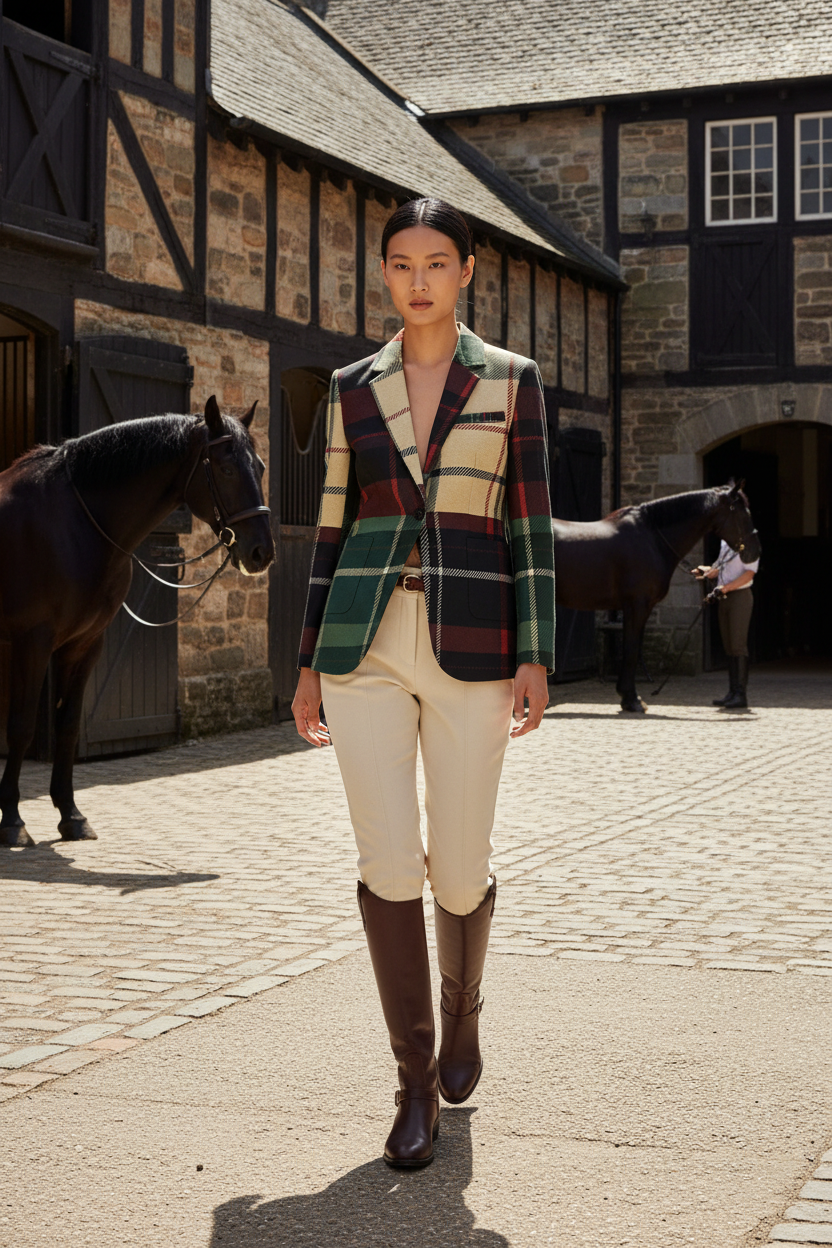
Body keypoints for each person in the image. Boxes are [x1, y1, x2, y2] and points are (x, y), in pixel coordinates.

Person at [291, 197, 555, 1169]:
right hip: (364, 642)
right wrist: (310, 662)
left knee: (458, 860)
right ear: (387, 274)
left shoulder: (514, 383)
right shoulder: (350, 387)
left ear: (467, 273)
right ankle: (412, 1082)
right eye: (400, 263)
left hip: (477, 642)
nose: (417, 280)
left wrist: (536, 653)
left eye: (436, 262)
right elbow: (328, 525)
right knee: (386, 859)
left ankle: (462, 1011)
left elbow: (528, 523)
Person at [693, 537, 760, 709]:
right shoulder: (725, 542)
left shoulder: (751, 543)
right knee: (729, 646)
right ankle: (732, 692)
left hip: (739, 595)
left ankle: (740, 694)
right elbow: (720, 568)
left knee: (738, 645)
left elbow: (749, 573)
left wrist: (727, 588)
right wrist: (706, 571)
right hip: (724, 596)